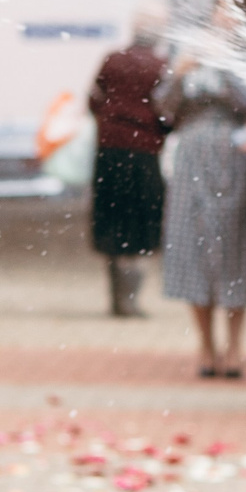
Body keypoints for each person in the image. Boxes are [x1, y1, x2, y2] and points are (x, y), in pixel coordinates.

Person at [157, 0, 246, 378]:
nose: (223, 15)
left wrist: (225, 65)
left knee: (236, 246)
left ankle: (235, 346)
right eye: (218, 7)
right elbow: (164, 110)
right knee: (193, 244)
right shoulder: (187, 44)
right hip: (191, 153)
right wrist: (177, 72)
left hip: (235, 155)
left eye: (230, 7)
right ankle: (206, 344)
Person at [87, 17, 170, 318]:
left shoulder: (112, 60)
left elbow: (93, 98)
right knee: (142, 225)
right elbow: (167, 112)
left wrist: (110, 121)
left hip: (109, 150)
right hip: (144, 153)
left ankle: (116, 298)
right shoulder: (161, 66)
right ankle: (131, 299)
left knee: (112, 220)